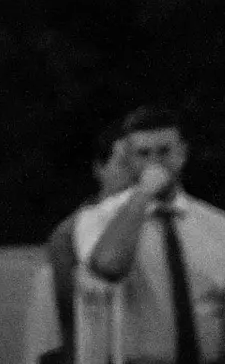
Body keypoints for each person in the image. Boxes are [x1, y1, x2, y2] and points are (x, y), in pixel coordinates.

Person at [77, 106, 225, 364]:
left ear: (182, 153)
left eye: (165, 151)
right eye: (143, 154)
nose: (155, 162)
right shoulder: (98, 219)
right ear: (129, 159)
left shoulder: (222, 227)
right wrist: (143, 196)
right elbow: (109, 266)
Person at [45, 124, 136, 364]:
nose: (137, 173)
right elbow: (71, 310)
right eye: (125, 163)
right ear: (99, 168)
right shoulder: (69, 233)